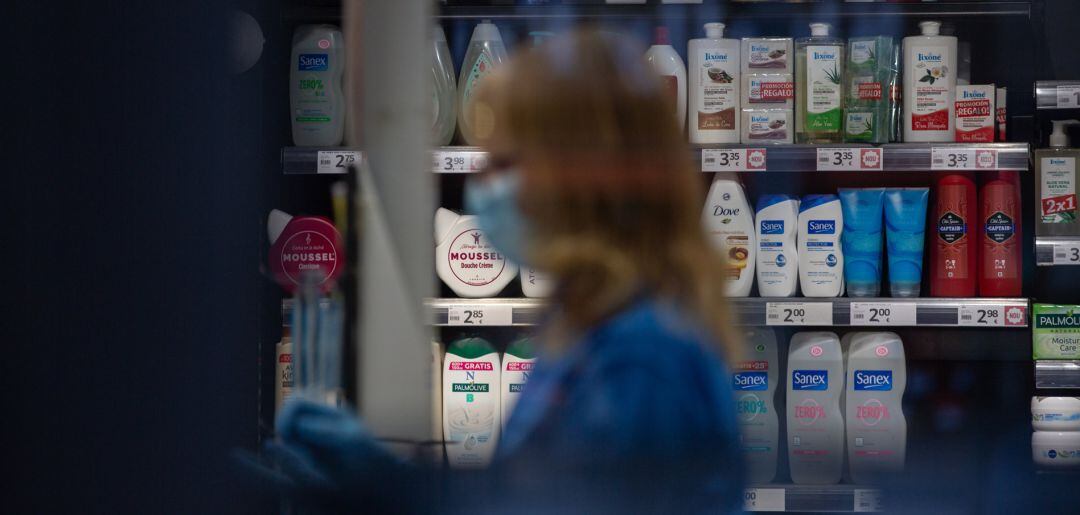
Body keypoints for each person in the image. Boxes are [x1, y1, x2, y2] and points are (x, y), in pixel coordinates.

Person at [260, 29, 745, 514]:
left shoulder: (643, 358)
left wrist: (391, 492)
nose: (481, 184)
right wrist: (391, 484)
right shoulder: (594, 325)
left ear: (582, 176)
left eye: (504, 162)